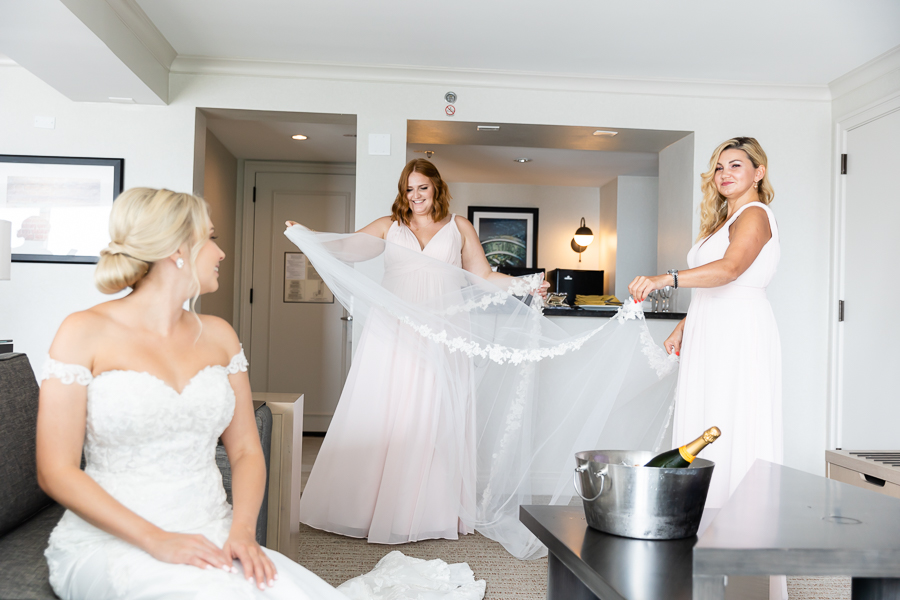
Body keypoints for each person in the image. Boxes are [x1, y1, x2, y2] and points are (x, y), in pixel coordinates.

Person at [37, 188, 347, 600]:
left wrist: (242, 533)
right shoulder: (82, 332)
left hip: (213, 528)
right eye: (213, 238)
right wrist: (156, 539)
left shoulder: (220, 335)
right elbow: (56, 471)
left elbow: (246, 452)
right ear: (176, 250)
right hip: (115, 540)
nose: (221, 253)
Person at [292, 159, 548, 545]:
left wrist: (524, 284)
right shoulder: (388, 226)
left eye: (422, 189)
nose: (415, 197)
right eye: (409, 189)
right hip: (392, 331)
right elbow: (345, 249)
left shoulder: (459, 226)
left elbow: (483, 275)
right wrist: (310, 236)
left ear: (436, 188)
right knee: (386, 411)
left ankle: (429, 510)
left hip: (443, 333)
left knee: (433, 415)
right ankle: (365, 507)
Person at [628, 137, 785, 597]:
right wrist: (685, 323)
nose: (724, 174)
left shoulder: (756, 215)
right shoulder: (725, 219)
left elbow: (732, 270)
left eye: (736, 165)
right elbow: (713, 288)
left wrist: (666, 278)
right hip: (711, 333)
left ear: (759, 171)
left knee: (734, 428)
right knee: (704, 429)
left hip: (740, 338)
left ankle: (745, 573)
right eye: (719, 168)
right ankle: (703, 557)